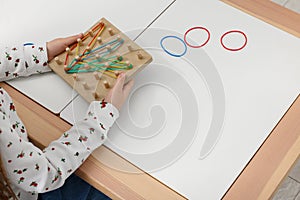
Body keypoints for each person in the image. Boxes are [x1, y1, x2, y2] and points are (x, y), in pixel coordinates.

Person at [0, 33, 134, 199]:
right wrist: (102, 117)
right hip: (38, 187)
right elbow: (45, 176)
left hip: (25, 168)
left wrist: (43, 53)